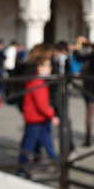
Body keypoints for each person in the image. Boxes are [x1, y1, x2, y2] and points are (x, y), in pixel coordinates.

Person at [18, 46, 59, 177]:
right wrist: (52, 115)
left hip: (38, 118)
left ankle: (56, 162)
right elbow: (41, 104)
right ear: (39, 68)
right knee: (29, 144)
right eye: (48, 67)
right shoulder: (38, 83)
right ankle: (22, 167)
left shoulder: (36, 81)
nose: (50, 69)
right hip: (36, 119)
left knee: (46, 142)